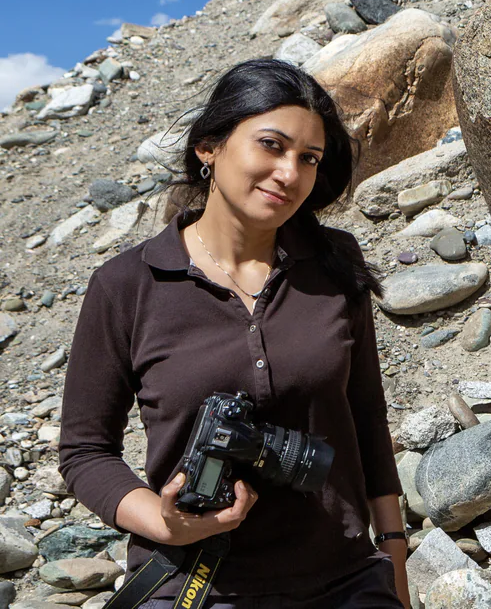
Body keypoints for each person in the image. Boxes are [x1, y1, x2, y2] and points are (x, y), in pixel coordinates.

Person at [58, 59, 409, 608]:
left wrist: (392, 553)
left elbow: (366, 411)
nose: (290, 173)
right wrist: (163, 521)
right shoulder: (126, 285)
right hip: (196, 581)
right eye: (271, 145)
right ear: (209, 147)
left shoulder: (335, 263)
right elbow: (84, 452)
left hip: (341, 579)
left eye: (308, 158)